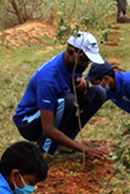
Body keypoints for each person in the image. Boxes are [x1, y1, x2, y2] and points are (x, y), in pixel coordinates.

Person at [13, 31, 109, 159]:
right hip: (30, 123)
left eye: (89, 62)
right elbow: (47, 128)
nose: (86, 66)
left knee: (98, 93)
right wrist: (85, 149)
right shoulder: (48, 78)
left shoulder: (73, 65)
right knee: (67, 100)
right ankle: (44, 149)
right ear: (70, 53)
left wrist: (84, 84)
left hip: (56, 110)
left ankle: (63, 143)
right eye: (84, 60)